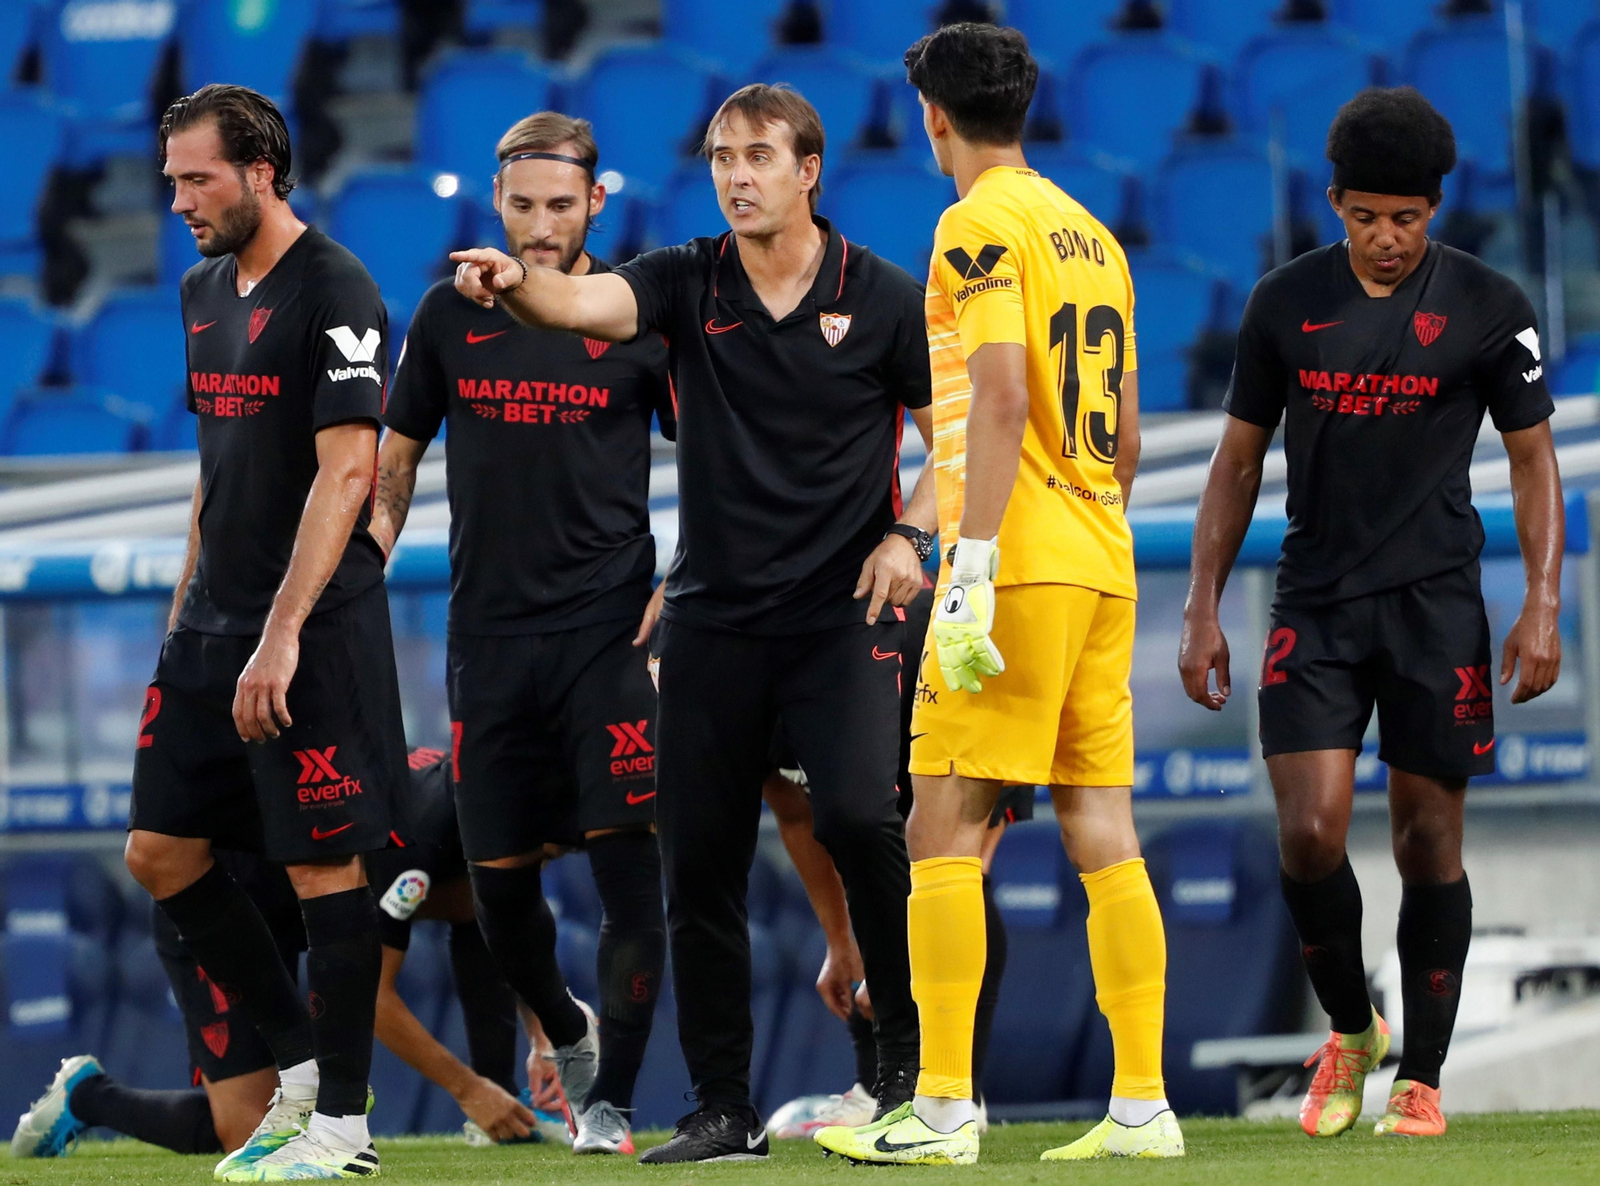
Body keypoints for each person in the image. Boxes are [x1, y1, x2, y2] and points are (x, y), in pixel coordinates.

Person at [450, 82, 938, 1164]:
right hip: (712, 622)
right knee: (701, 868)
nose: (737, 174)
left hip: (837, 620)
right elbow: (582, 310)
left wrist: (914, 536)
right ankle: (722, 1108)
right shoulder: (682, 278)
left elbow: (958, 434)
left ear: (808, 170)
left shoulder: (885, 295)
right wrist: (516, 279)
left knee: (862, 818)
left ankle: (907, 1078)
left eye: (759, 155)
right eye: (722, 155)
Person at [816, 24, 1181, 1166]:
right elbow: (1121, 434)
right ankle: (1139, 1107)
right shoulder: (1091, 233)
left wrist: (965, 568)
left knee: (939, 821)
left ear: (932, 116)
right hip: (1098, 555)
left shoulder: (972, 224)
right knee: (1100, 825)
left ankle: (939, 1109)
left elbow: (1005, 392)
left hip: (1013, 561)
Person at [1179, 87, 1563, 1140]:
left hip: (1438, 605)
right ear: (1333, 202)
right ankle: (1352, 1029)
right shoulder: (1282, 304)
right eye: (1366, 217)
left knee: (1427, 842)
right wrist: (1201, 608)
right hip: (1314, 598)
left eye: (1407, 217)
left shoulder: (1490, 304)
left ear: (1434, 208)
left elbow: (1533, 463)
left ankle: (1422, 1080)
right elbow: (1237, 459)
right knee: (1307, 834)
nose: (1386, 239)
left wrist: (1540, 602)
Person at [371, 111, 672, 1158]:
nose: (539, 227)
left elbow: (727, 457)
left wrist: (683, 581)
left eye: (560, 205)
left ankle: (611, 1103)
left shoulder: (636, 318)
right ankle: (569, 1025)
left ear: (598, 202)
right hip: (487, 643)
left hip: (606, 640)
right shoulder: (447, 319)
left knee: (630, 872)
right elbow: (396, 459)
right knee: (497, 893)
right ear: (493, 205)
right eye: (522, 205)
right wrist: (360, 562)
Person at [123, 83, 407, 1181]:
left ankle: (340, 1127)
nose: (181, 201)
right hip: (209, 628)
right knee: (160, 850)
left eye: (198, 179)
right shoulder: (199, 289)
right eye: (172, 181)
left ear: (260, 171)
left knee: (319, 871)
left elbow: (349, 470)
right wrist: (184, 616)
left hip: (308, 629)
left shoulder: (337, 287)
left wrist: (281, 632)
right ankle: (296, 1067)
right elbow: (216, 476)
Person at [10, 750, 561, 1161]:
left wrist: (539, 1040)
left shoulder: (473, 805)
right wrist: (468, 1091)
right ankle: (87, 1098)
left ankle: (510, 1101)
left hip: (289, 912)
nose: (548, 863)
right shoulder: (420, 844)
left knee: (269, 1122)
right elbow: (373, 999)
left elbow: (490, 929)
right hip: (217, 913)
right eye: (550, 851)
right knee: (245, 1130)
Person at [764, 581, 1025, 1139]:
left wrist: (905, 957)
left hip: (953, 702)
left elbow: (972, 848)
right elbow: (797, 815)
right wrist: (842, 941)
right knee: (872, 915)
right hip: (873, 762)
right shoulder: (742, 688)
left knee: (954, 880)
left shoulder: (911, 639)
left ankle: (955, 1088)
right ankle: (882, 1087)